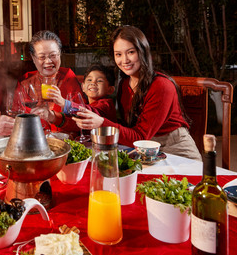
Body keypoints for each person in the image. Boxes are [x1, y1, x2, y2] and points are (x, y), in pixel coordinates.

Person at [75, 25, 201, 160]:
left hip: (175, 149)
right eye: (118, 54)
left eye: (130, 52)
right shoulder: (124, 84)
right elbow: (129, 128)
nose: (124, 60)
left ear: (142, 51)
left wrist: (101, 123)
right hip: (142, 149)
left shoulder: (161, 86)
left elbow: (140, 136)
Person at [13, 30, 83, 132]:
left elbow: (81, 120)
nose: (48, 61)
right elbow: (16, 116)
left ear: (60, 54)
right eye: (42, 57)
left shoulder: (68, 78)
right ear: (33, 58)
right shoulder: (25, 82)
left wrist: (54, 117)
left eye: (53, 55)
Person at [33, 63, 117, 134]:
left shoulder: (106, 105)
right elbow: (76, 124)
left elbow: (89, 112)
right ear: (83, 87)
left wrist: (63, 102)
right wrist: (52, 116)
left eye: (99, 81)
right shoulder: (87, 103)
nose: (93, 83)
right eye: (89, 80)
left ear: (110, 90)